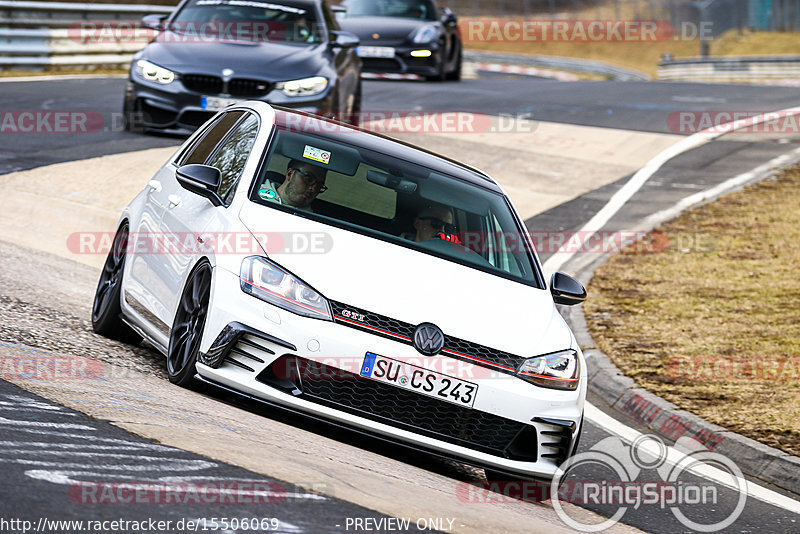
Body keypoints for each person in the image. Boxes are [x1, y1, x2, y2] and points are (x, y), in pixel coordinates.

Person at [257, 159, 327, 211]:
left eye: (319, 185)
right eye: (309, 179)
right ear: (290, 174)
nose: (313, 189)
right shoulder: (254, 195)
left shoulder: (315, 221)